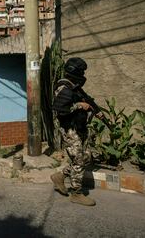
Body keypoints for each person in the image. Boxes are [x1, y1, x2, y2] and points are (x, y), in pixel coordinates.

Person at [51, 57, 101, 206]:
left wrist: (94, 110)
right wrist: (80, 105)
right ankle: (77, 194)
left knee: (85, 158)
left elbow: (85, 101)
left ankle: (60, 176)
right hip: (69, 129)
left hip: (79, 127)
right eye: (82, 71)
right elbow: (60, 110)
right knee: (79, 159)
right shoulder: (63, 87)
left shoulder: (74, 87)